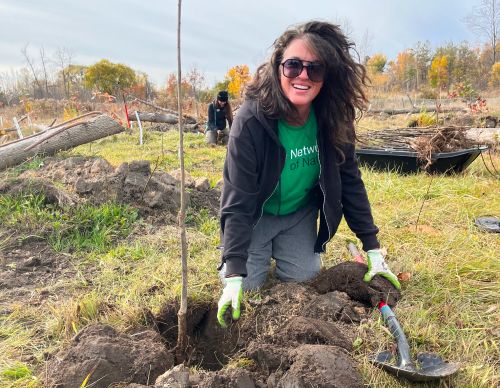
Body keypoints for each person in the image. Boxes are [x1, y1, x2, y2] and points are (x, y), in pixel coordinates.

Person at [216, 21, 401, 328]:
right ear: (278, 69)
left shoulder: (332, 118)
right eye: (293, 66)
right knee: (247, 288)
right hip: (255, 216)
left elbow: (350, 181)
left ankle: (279, 250)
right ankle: (235, 257)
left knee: (304, 280)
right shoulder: (251, 121)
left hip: (298, 214)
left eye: (315, 69)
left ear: (327, 76)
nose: (303, 75)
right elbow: (237, 199)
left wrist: (372, 249)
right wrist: (234, 273)